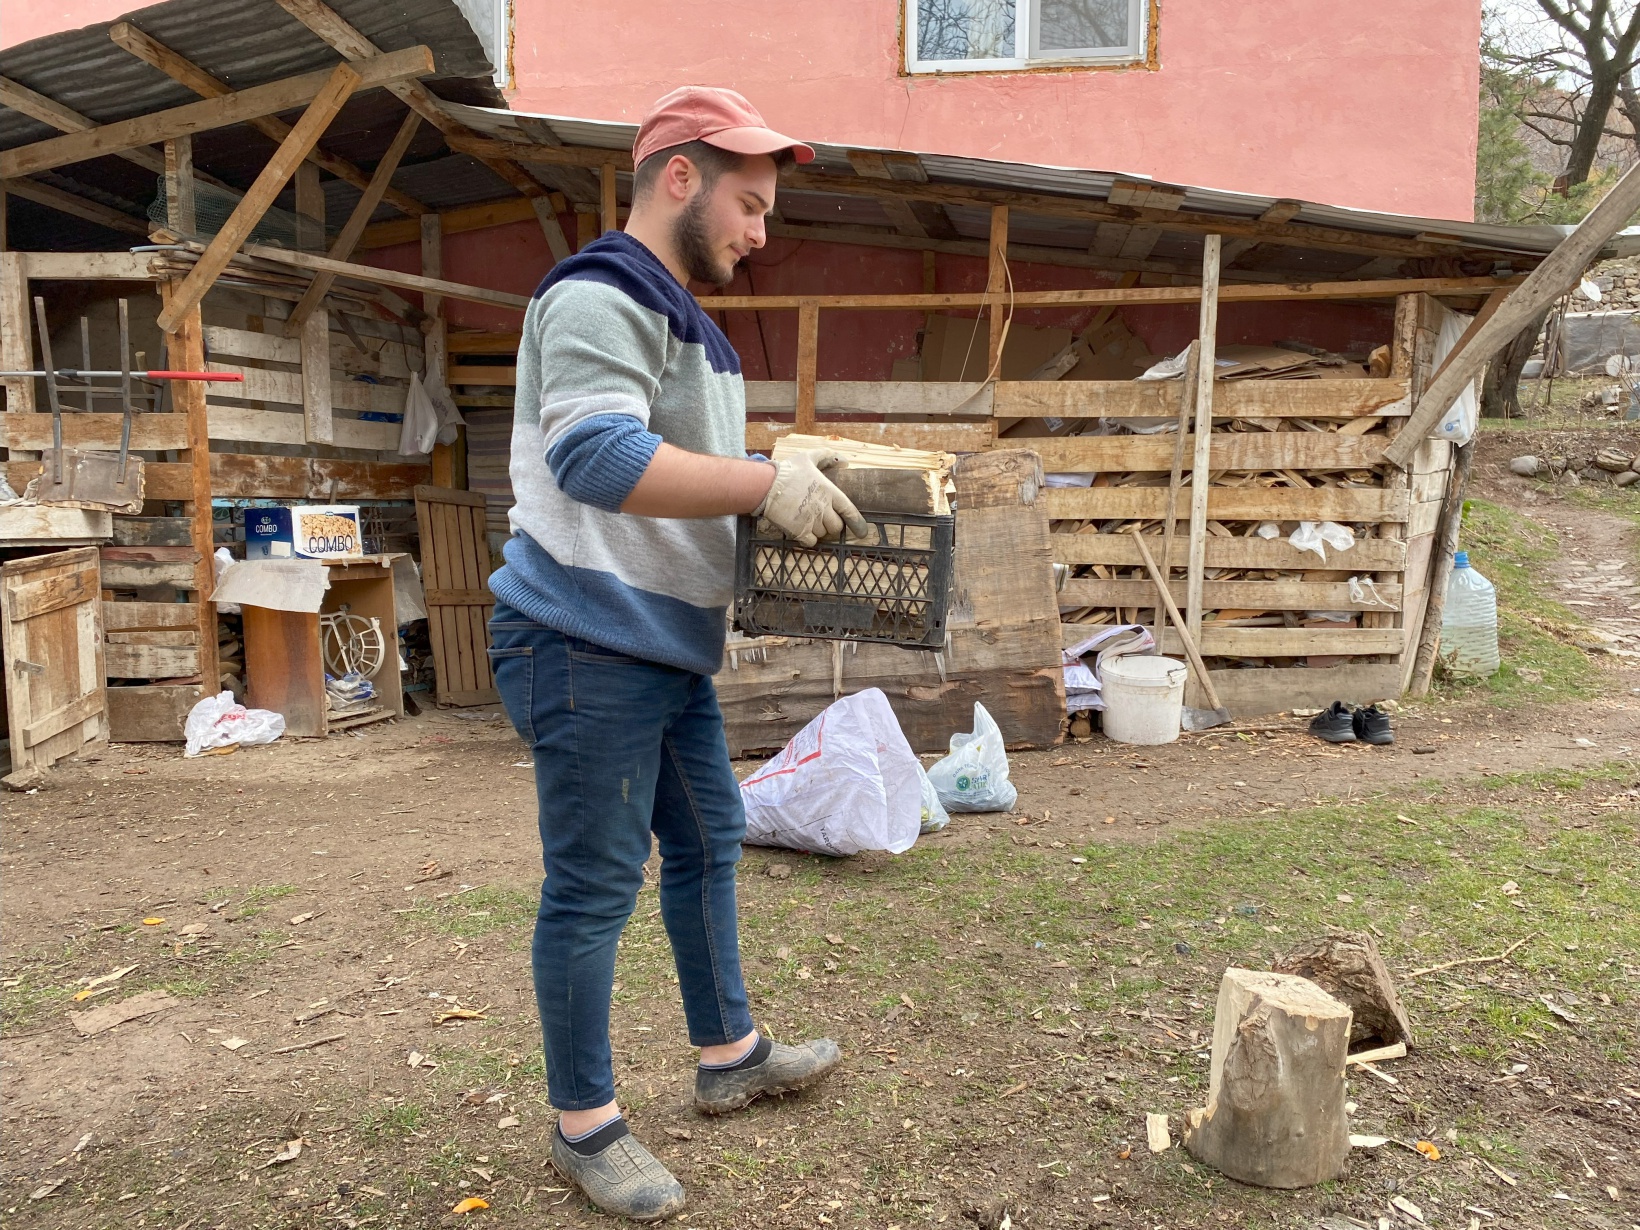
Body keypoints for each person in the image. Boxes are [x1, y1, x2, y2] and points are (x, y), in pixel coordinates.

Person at [486, 86, 863, 1221]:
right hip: (581, 638)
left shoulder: (679, 316)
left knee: (712, 836)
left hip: (659, 643)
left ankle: (728, 1051)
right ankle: (583, 1128)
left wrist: (767, 464)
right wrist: (763, 482)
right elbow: (598, 458)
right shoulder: (600, 290)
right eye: (749, 204)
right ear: (679, 179)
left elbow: (669, 461)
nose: (761, 231)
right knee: (595, 885)